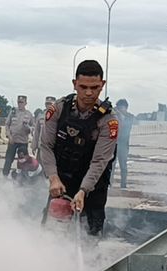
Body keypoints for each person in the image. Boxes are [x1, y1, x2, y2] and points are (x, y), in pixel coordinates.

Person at [40, 60, 118, 235]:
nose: (89, 93)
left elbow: (100, 161)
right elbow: (46, 146)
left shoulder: (109, 120)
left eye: (95, 87)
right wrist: (53, 178)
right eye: (83, 87)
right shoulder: (58, 110)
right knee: (51, 232)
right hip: (62, 181)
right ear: (75, 84)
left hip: (93, 185)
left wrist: (83, 191)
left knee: (90, 235)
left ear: (102, 85)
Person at [2, 95, 35, 177]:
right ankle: (4, 176)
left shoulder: (29, 114)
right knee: (8, 160)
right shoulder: (13, 112)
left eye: (22, 102)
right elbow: (7, 124)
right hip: (13, 140)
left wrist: (28, 127)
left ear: (26, 103)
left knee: (24, 161)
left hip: (23, 142)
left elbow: (33, 128)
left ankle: (24, 178)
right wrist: (9, 136)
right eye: (18, 102)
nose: (20, 104)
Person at [114, 98, 135, 188]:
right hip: (114, 145)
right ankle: (109, 184)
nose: (120, 109)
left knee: (123, 166)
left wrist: (120, 116)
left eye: (122, 107)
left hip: (123, 145)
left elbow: (124, 127)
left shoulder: (129, 117)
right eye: (119, 107)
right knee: (111, 166)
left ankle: (123, 184)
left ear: (126, 108)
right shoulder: (114, 116)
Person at [31, 96, 57, 165]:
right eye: (47, 104)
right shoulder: (41, 116)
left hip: (52, 147)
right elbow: (36, 132)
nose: (48, 105)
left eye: (50, 104)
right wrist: (34, 146)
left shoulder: (58, 116)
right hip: (41, 146)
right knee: (39, 166)